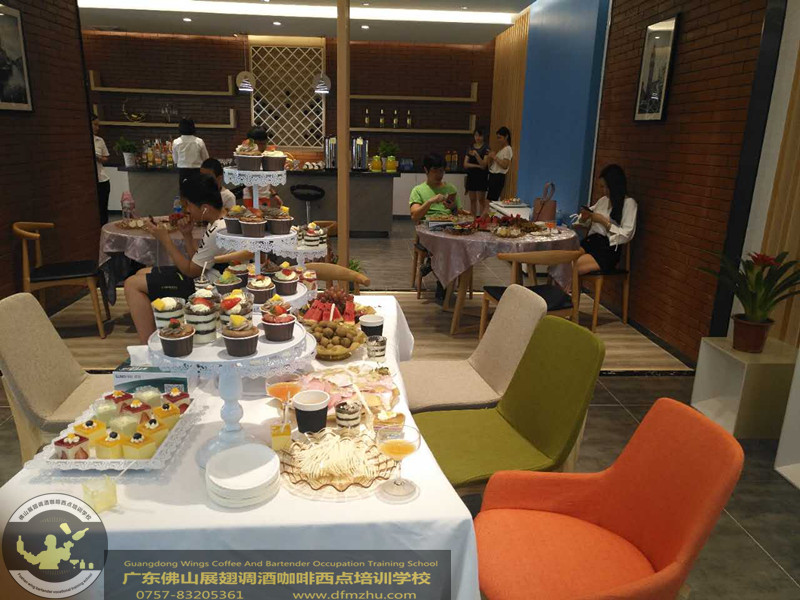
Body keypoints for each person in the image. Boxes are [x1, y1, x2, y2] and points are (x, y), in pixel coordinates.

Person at [124, 173, 227, 343]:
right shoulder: (218, 222)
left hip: (208, 286)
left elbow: (192, 271)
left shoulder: (217, 230)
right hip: (206, 275)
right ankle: (157, 332)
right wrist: (187, 235)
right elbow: (199, 262)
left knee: (131, 284)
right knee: (142, 272)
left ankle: (148, 345)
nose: (187, 210)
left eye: (188, 205)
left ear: (204, 208)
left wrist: (165, 240)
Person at [575, 164, 637, 277]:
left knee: (573, 266)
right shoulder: (603, 201)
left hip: (608, 248)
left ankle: (566, 288)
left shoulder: (629, 204)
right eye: (602, 187)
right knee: (563, 260)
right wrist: (584, 218)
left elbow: (626, 234)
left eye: (607, 187)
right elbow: (586, 220)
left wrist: (604, 222)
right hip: (592, 241)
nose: (604, 191)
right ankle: (564, 288)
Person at [409, 153, 462, 222]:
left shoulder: (451, 189)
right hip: (426, 225)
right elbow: (414, 217)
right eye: (434, 170)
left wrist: (453, 208)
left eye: (441, 171)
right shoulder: (417, 190)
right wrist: (430, 202)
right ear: (426, 170)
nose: (438, 174)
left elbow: (460, 216)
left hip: (448, 224)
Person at [172, 118, 209, 183]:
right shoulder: (199, 141)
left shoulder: (176, 142)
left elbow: (175, 160)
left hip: (183, 172)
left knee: (184, 189)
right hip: (197, 172)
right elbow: (206, 158)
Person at [463, 126, 490, 217]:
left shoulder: (486, 148)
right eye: (476, 135)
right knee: (472, 199)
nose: (477, 138)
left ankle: (482, 219)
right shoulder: (470, 147)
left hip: (481, 176)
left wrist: (476, 155)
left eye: (480, 135)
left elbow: (484, 165)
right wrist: (477, 166)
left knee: (481, 200)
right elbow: (465, 164)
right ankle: (473, 218)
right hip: (471, 175)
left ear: (483, 136)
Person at [242, 126, 270, 206]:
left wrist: (274, 194)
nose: (263, 147)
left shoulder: (264, 156)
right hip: (251, 198)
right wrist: (256, 201)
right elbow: (248, 183)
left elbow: (267, 179)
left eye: (264, 143)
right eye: (260, 144)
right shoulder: (248, 159)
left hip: (265, 196)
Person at [486, 126, 513, 203]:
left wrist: (494, 157)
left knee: (491, 201)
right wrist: (490, 157)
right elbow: (491, 166)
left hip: (498, 177)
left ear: (506, 137)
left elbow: (505, 165)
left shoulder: (507, 149)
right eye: (497, 138)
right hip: (493, 175)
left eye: (500, 138)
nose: (498, 140)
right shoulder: (501, 149)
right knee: (489, 200)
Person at [92, 115, 110, 225]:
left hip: (102, 179)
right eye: (95, 124)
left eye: (98, 125)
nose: (97, 127)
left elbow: (106, 158)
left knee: (103, 209)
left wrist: (98, 158)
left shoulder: (99, 140)